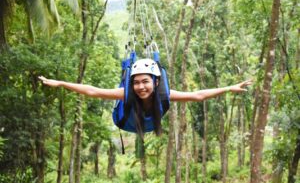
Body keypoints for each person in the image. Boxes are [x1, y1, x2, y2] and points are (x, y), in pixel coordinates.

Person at [38, 58, 252, 137]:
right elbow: (92, 91)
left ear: (156, 82)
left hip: (148, 124)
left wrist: (229, 88)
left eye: (145, 82)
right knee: (124, 98)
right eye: (136, 82)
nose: (140, 87)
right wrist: (61, 83)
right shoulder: (126, 93)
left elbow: (198, 96)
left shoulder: (164, 94)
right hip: (124, 122)